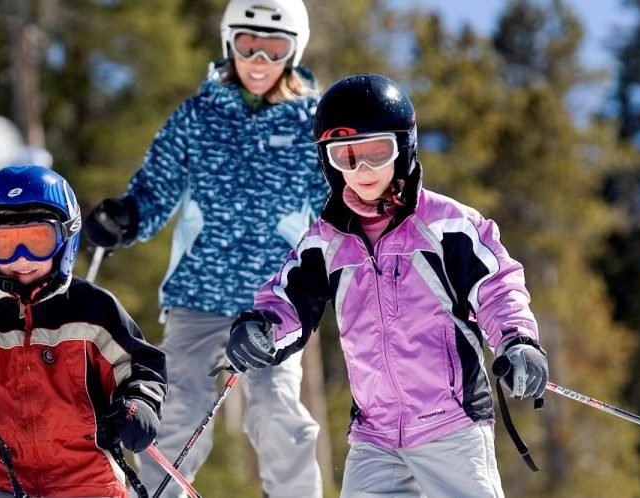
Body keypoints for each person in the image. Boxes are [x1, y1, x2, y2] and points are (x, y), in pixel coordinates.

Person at [224, 73, 550, 498]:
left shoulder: (446, 225)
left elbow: (497, 286)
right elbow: (288, 301)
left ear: (404, 146)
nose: (361, 170)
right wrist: (260, 327)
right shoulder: (326, 241)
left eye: (377, 152)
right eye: (346, 156)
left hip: (449, 426)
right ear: (328, 161)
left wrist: (517, 340)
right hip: (375, 437)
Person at [81, 0, 326, 496]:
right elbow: (156, 187)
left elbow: (334, 210)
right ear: (228, 45)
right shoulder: (198, 116)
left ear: (293, 52)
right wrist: (127, 215)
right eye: (247, 45)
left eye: (273, 48)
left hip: (272, 301)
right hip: (197, 293)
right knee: (178, 409)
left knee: (279, 410)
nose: (259, 60)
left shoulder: (309, 126)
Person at [0, 165, 168, 498]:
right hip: (1, 482)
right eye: (5, 244)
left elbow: (139, 368)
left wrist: (139, 407)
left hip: (89, 481)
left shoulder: (93, 310)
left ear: (66, 239)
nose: (22, 258)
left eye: (38, 241)